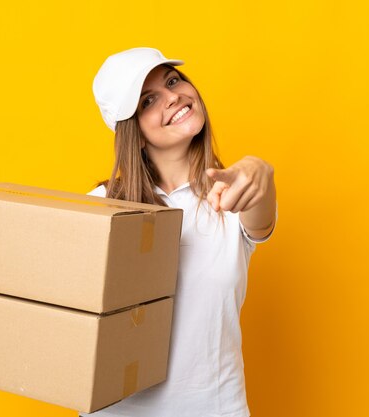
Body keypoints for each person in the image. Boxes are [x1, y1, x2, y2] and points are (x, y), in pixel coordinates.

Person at [80, 47, 278, 417]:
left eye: (173, 80)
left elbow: (260, 212)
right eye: (148, 100)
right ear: (133, 133)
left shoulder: (232, 190)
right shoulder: (102, 205)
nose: (172, 97)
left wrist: (258, 169)